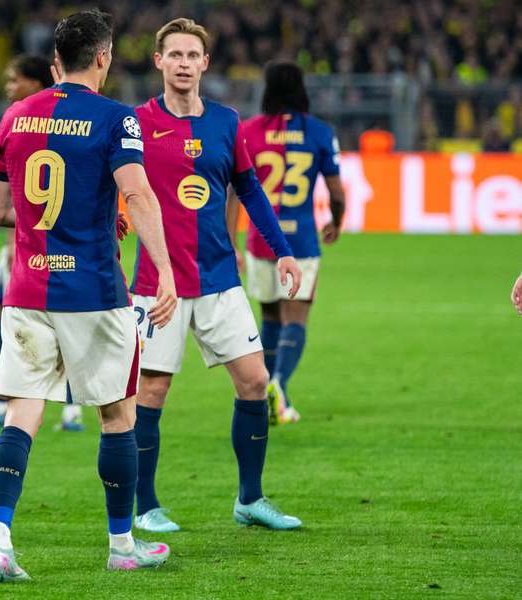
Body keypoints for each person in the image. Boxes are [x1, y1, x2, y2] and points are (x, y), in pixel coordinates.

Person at [0, 10, 177, 581]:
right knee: (117, 415)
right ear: (103, 58)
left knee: (21, 413)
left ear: (53, 63)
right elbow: (137, 193)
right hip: (93, 289)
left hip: (27, 288)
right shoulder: (118, 119)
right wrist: (162, 269)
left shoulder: (16, 117)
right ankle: (121, 545)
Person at [130, 18, 303, 534]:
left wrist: (285, 253)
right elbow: (114, 184)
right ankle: (145, 505)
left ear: (206, 63)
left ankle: (250, 499)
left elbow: (249, 191)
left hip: (220, 280)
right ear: (158, 61)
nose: (183, 63)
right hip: (157, 283)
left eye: (192, 55)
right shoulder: (136, 122)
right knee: (152, 392)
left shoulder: (228, 122)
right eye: (174, 54)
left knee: (255, 382)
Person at [0, 54, 85, 432]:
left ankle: (11, 405)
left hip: (28, 249)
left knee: (15, 325)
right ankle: (68, 408)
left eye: (14, 79)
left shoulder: (19, 123)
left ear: (36, 83)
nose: (8, 86)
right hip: (57, 246)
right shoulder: (75, 122)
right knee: (63, 325)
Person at [230, 60, 346, 425]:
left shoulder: (247, 131)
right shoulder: (319, 132)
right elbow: (337, 191)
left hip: (261, 239)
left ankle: (271, 391)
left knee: (269, 317)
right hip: (302, 240)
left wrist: (232, 241)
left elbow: (234, 192)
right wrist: (336, 220)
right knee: (297, 317)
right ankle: (277, 383)